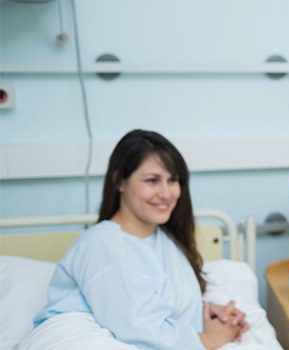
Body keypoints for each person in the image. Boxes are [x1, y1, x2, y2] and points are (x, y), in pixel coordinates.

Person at [23, 129, 248, 349]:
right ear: (119, 181)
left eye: (173, 180)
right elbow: (138, 330)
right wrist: (210, 339)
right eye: (152, 180)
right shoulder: (104, 245)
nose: (166, 193)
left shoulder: (164, 240)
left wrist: (207, 312)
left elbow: (155, 301)